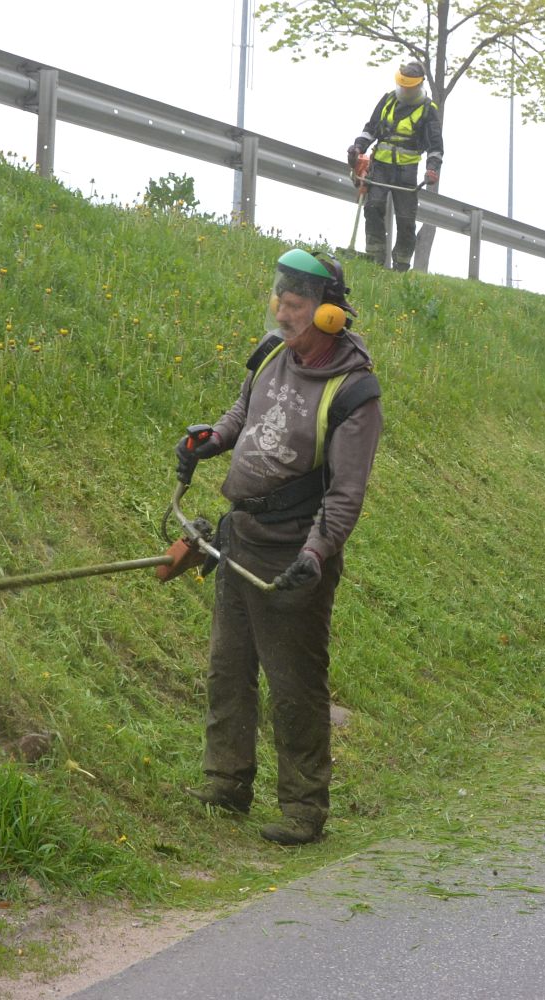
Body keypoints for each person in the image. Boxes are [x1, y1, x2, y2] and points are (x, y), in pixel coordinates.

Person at [175, 248, 383, 845]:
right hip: (241, 533)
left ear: (328, 316)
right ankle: (227, 782)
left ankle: (303, 809)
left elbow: (345, 493)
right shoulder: (272, 354)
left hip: (293, 548)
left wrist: (315, 555)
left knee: (294, 682)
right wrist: (209, 439)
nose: (284, 313)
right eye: (280, 300)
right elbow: (245, 412)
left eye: (297, 305)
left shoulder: (354, 392)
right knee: (228, 666)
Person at [347, 60, 444, 272]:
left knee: (406, 219)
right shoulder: (389, 99)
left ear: (419, 85)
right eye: (403, 87)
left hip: (406, 172)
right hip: (380, 166)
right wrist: (358, 147)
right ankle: (375, 258)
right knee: (372, 207)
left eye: (409, 88)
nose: (405, 91)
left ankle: (401, 264)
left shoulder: (428, 110)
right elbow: (370, 129)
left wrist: (432, 169)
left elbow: (435, 146)